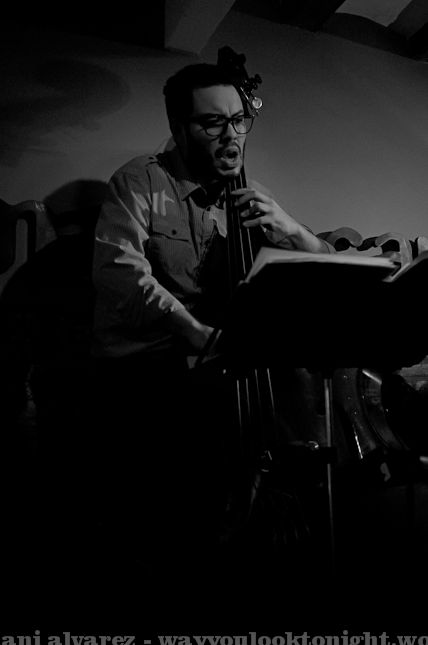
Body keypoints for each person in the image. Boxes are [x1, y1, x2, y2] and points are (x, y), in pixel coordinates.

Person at [88, 62, 333, 611]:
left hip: (222, 372)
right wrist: (197, 334)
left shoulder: (252, 196)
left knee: (289, 383)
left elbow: (321, 272)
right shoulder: (140, 181)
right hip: (145, 368)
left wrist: (293, 231)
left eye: (239, 120)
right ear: (178, 129)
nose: (231, 136)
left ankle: (280, 530)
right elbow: (119, 273)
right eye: (212, 123)